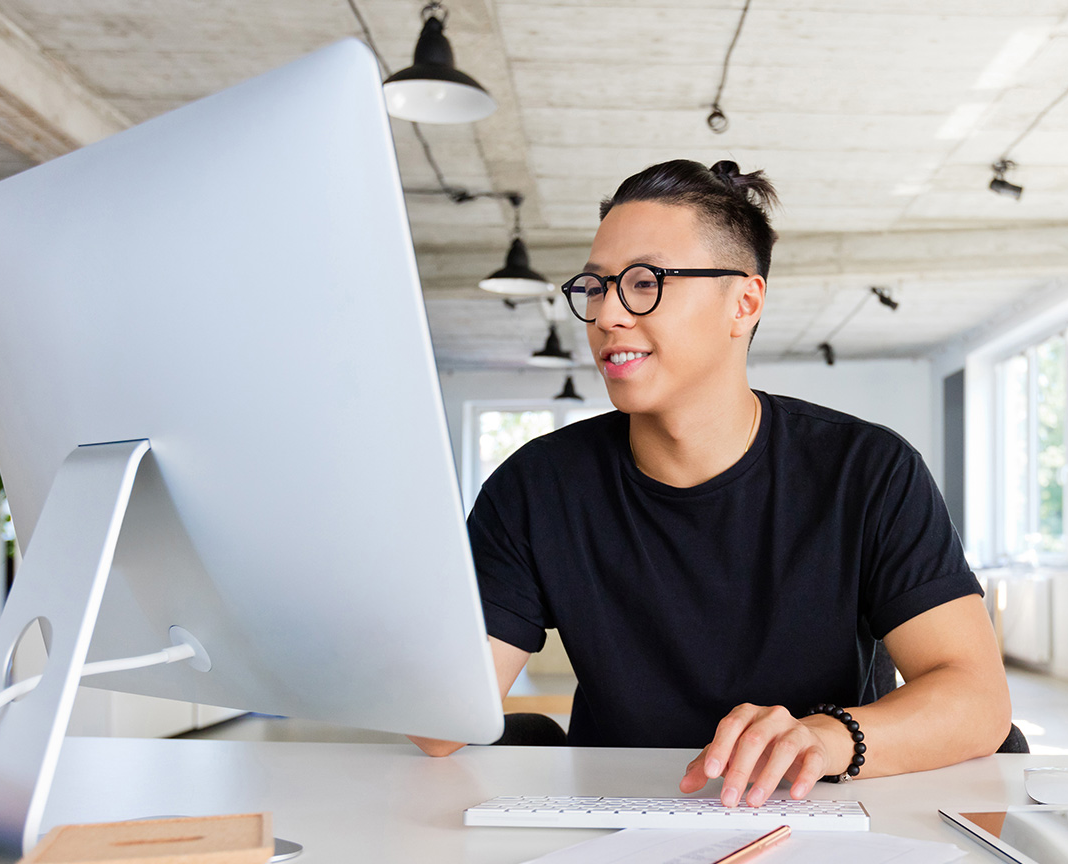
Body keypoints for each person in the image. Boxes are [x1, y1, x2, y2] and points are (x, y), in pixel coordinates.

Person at [410, 159, 1013, 810]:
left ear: (744, 303)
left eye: (644, 283)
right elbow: (442, 729)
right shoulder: (536, 486)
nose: (607, 313)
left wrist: (828, 737)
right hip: (615, 820)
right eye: (595, 285)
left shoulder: (869, 472)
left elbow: (978, 702)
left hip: (818, 813)